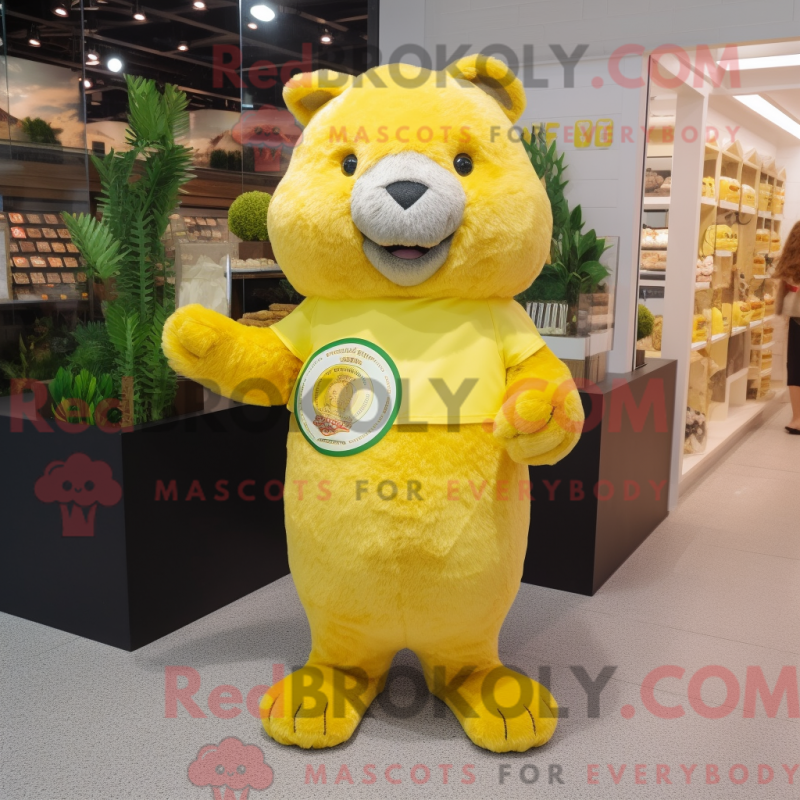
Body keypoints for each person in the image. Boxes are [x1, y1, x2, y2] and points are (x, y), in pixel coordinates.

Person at [775, 221, 800, 434]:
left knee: (795, 366)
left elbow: (783, 288)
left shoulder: (790, 261)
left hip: (796, 317)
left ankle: (797, 418)